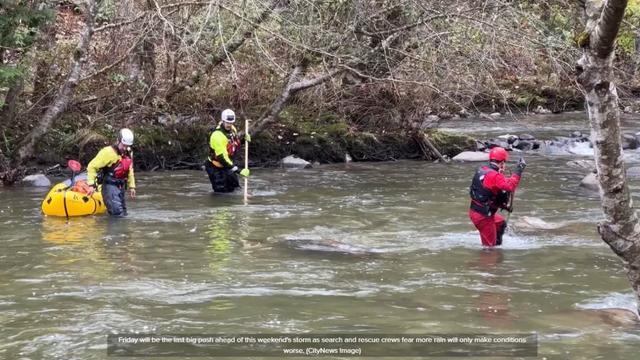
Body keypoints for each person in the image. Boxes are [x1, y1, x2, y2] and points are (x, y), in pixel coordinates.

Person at [468, 147, 525, 247]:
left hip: (478, 211)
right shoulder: (494, 176)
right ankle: (490, 256)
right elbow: (510, 186)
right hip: (483, 216)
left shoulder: (484, 170)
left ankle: (497, 245)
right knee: (489, 249)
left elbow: (496, 186)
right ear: (502, 163)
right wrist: (518, 171)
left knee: (500, 223)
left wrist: (504, 206)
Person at [86, 128, 136, 216]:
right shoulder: (107, 152)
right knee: (117, 215)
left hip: (120, 187)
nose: (124, 148)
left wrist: (132, 186)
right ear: (118, 141)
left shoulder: (128, 153)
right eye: (123, 145)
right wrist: (91, 185)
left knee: (123, 214)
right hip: (109, 187)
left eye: (127, 146)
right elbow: (92, 166)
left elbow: (130, 170)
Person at [205, 109, 250, 193]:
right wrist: (239, 171)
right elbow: (222, 158)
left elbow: (233, 143)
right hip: (216, 168)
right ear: (223, 121)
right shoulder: (217, 135)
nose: (229, 125)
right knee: (221, 193)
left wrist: (243, 140)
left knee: (235, 188)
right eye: (227, 122)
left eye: (231, 123)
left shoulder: (232, 129)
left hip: (227, 166)